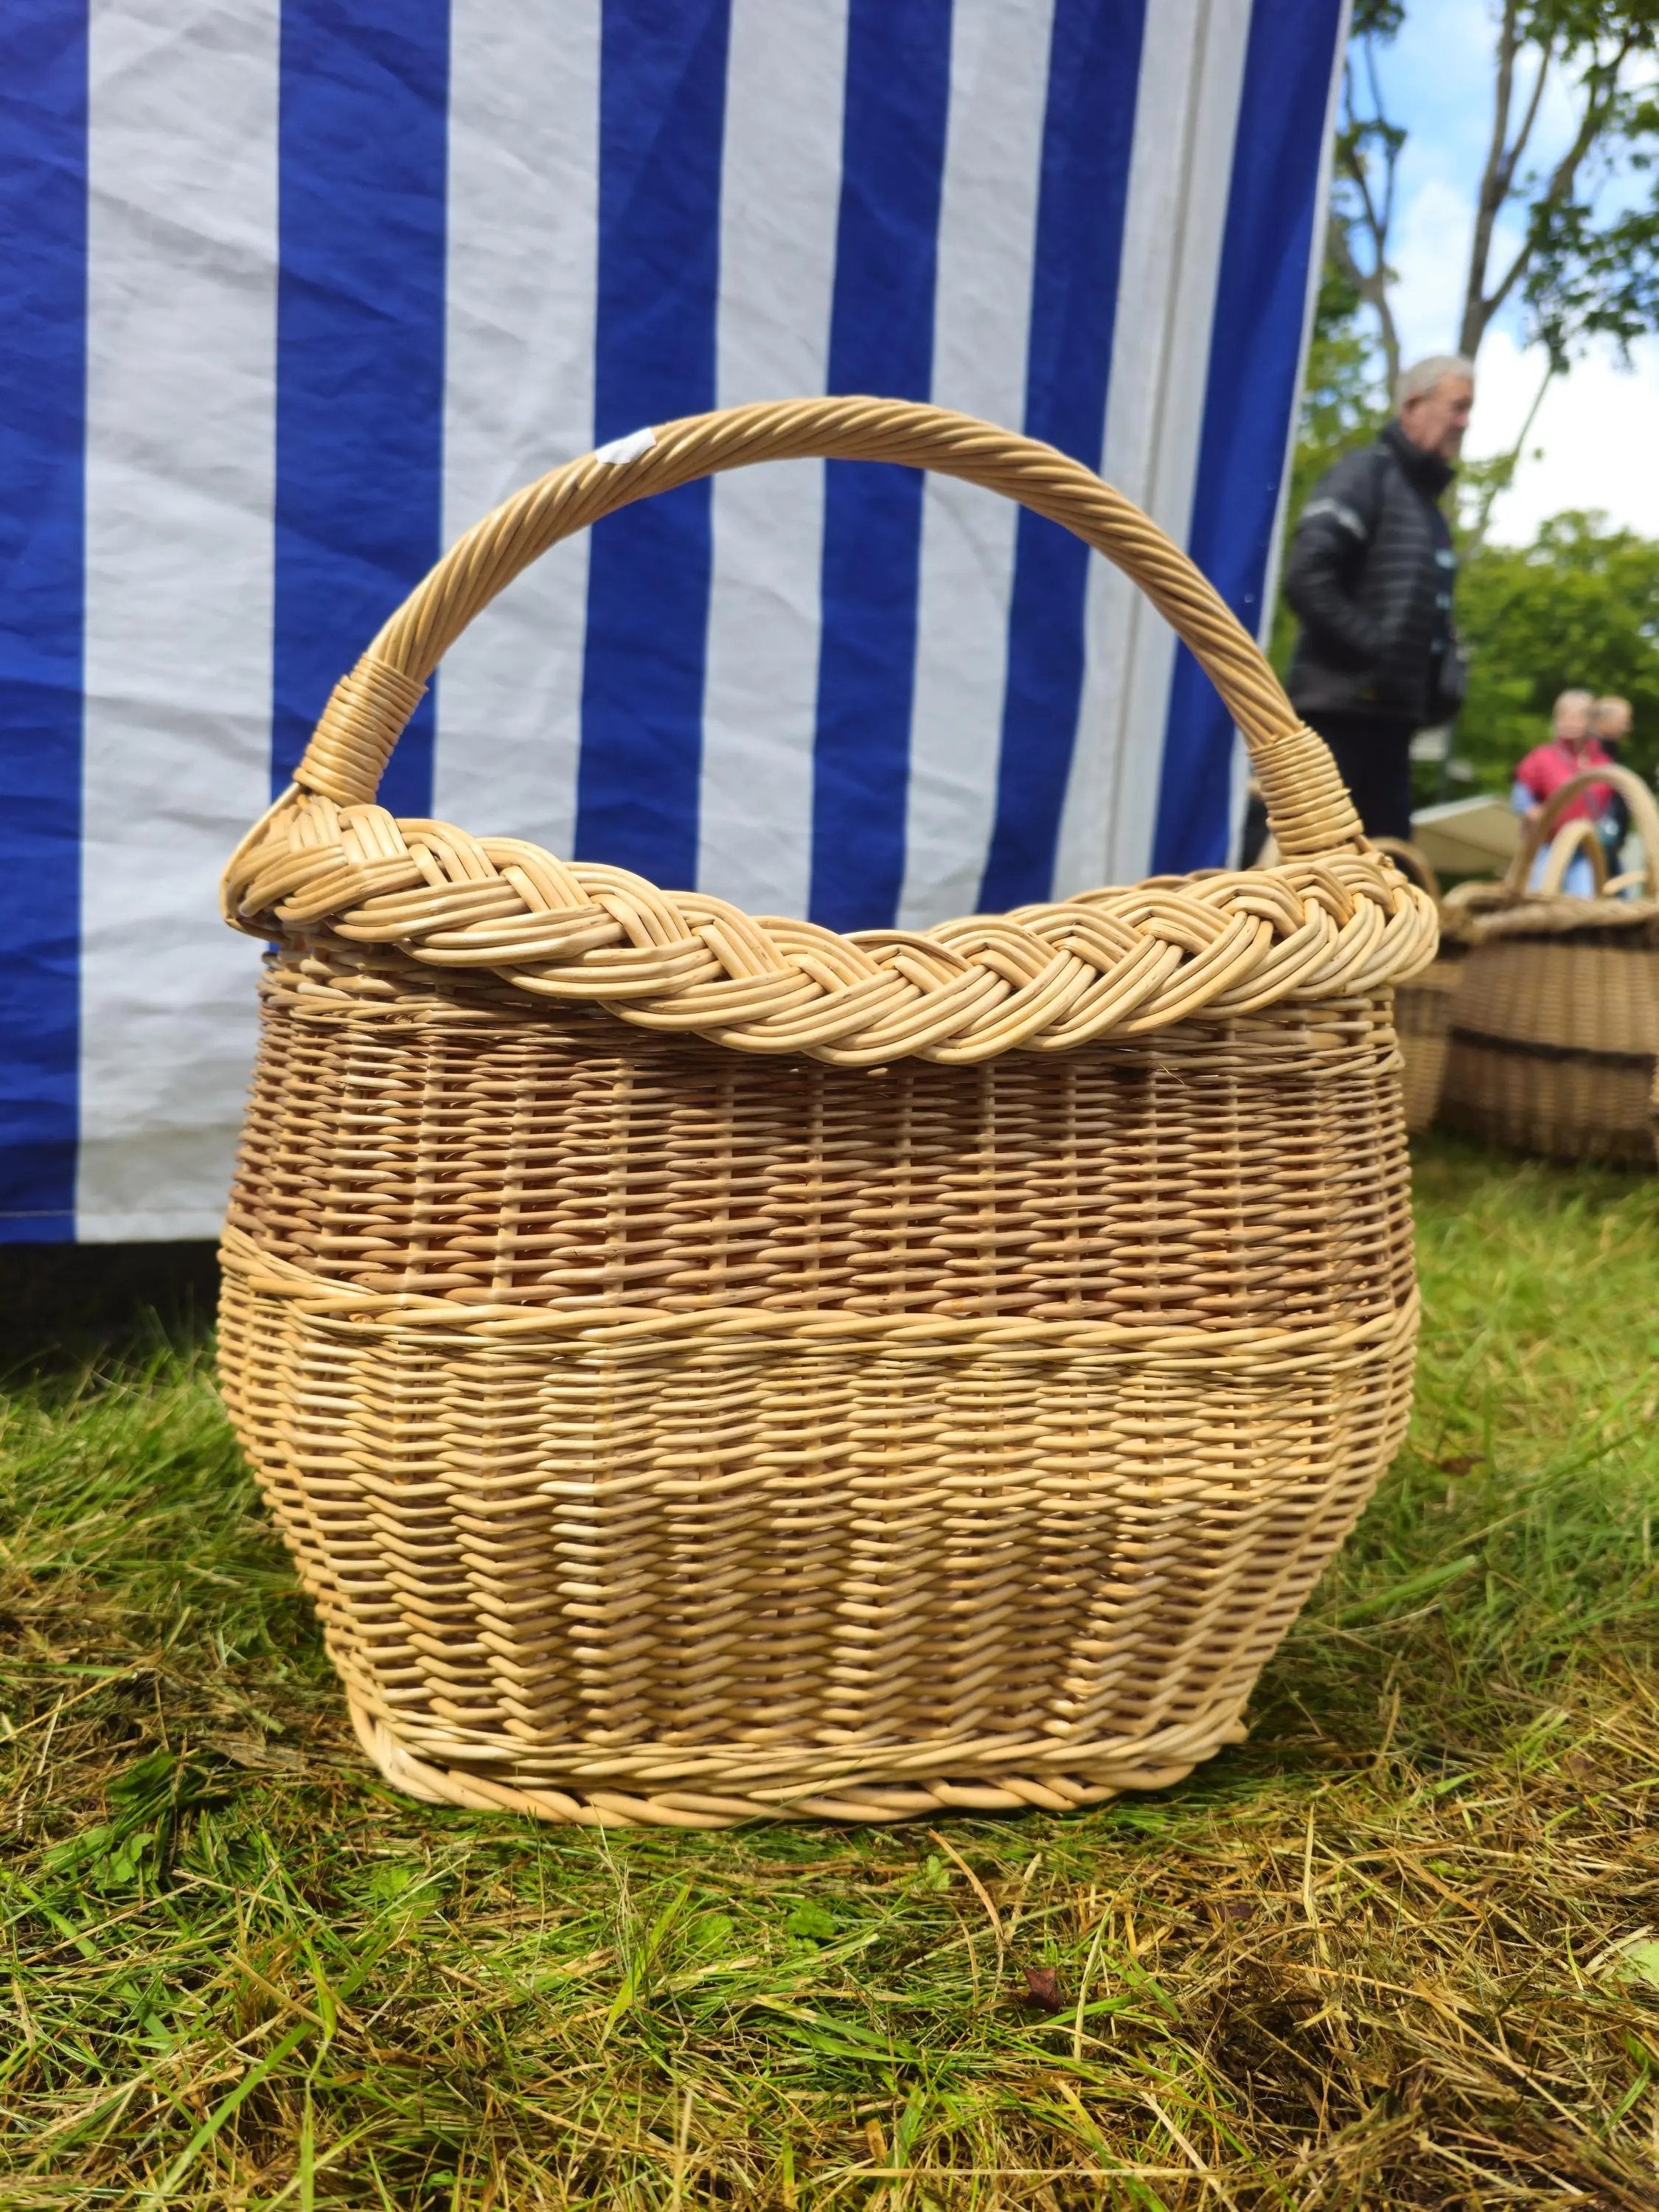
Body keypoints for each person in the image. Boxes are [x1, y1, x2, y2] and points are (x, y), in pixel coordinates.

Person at [1280, 355, 1474, 842]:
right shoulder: (1365, 475)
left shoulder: (1429, 511)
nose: (1465, 423)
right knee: (1310, 874)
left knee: (1391, 887)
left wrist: (1442, 679)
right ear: (1412, 405)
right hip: (1336, 722)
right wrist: (1378, 653)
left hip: (1391, 727)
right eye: (1457, 407)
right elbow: (1306, 576)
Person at [1512, 689, 1613, 894]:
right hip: (1547, 845)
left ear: (1590, 721)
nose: (1570, 721)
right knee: (1538, 897)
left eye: (1577, 716)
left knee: (1584, 901)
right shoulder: (1542, 757)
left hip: (1583, 849)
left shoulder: (1602, 764)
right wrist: (1534, 812)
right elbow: (1520, 798)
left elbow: (1607, 805)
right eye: (1564, 715)